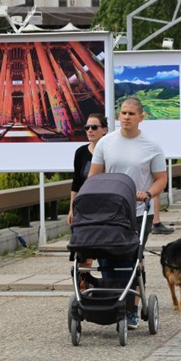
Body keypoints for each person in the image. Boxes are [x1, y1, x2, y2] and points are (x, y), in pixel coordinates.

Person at [88, 97, 168, 329]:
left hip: (139, 212)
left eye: (131, 114)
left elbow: (161, 179)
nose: (126, 117)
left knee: (131, 259)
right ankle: (112, 302)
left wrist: (147, 193)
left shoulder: (151, 146)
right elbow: (94, 176)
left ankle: (131, 309)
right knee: (106, 258)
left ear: (141, 118)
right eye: (123, 113)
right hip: (110, 212)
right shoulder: (106, 143)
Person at [68, 113, 108, 289]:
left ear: (104, 130)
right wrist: (72, 208)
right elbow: (76, 182)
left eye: (94, 127)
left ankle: (109, 282)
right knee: (84, 247)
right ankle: (84, 283)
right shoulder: (81, 152)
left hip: (106, 205)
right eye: (87, 127)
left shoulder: (110, 151)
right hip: (85, 206)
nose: (90, 131)